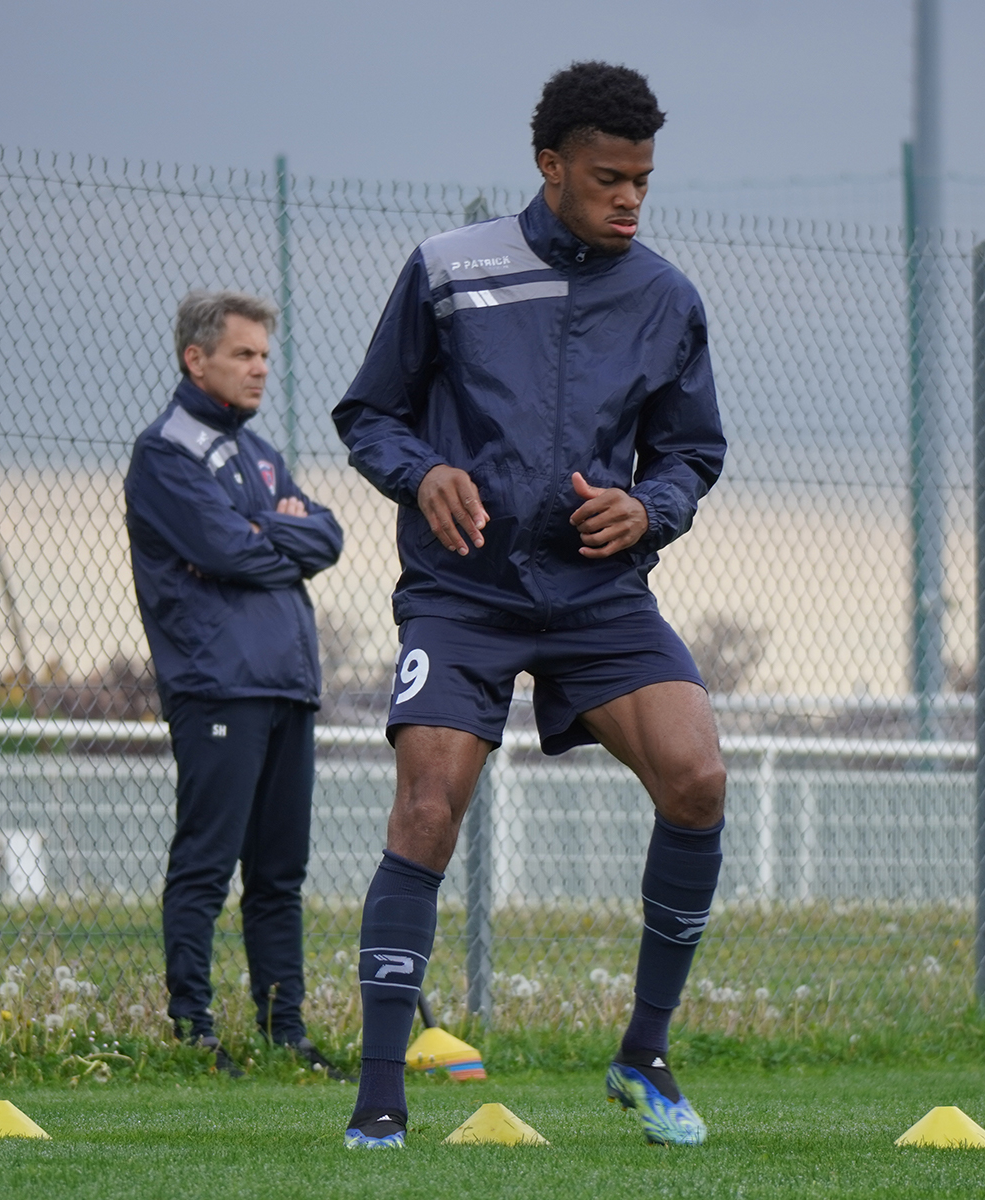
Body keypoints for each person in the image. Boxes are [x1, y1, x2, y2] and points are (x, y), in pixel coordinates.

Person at [332, 62, 726, 1148]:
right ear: (549, 166)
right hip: (465, 591)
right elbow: (370, 413)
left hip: (599, 594)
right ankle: (379, 1097)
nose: (630, 199)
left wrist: (649, 510)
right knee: (427, 806)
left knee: (696, 776)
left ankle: (644, 1055)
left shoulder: (667, 297)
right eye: (607, 177)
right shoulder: (447, 272)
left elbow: (691, 451)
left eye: (643, 179)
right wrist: (423, 474)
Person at [125, 289, 345, 1077]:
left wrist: (273, 528)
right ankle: (195, 1032)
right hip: (219, 686)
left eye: (263, 355)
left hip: (287, 682)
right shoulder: (165, 455)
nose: (259, 369)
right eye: (244, 355)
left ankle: (286, 1035)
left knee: (280, 873)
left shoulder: (256, 452)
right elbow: (231, 551)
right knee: (206, 866)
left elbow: (328, 534)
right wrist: (272, 534)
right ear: (197, 359)